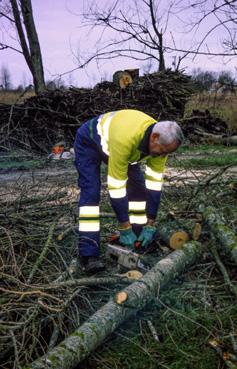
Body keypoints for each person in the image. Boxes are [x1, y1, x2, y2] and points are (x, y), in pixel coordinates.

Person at [74, 109, 184, 273]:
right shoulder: (126, 139)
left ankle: (139, 237)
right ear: (154, 138)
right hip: (90, 141)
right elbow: (116, 187)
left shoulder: (161, 143)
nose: (163, 156)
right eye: (163, 151)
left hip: (126, 149)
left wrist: (150, 223)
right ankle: (89, 254)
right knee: (91, 193)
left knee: (138, 188)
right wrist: (124, 226)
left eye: (167, 153)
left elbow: (154, 184)